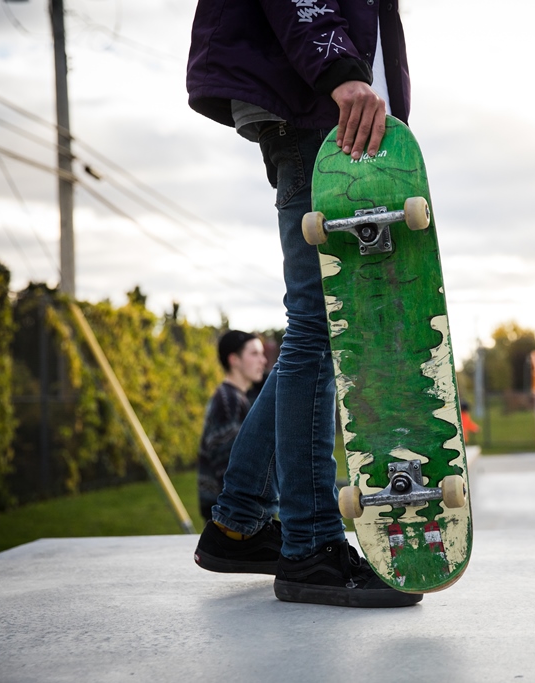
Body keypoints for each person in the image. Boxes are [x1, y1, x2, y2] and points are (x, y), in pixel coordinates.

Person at [186, 0, 420, 608]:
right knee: (319, 329)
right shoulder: (329, 83)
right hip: (320, 114)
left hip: (331, 119)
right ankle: (311, 546)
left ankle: (238, 523)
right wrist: (338, 71)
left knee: (315, 329)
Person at [197, 330, 267, 522]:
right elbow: (231, 468)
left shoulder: (236, 398)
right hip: (230, 518)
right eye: (254, 354)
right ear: (234, 360)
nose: (263, 361)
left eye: (262, 354)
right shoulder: (228, 402)